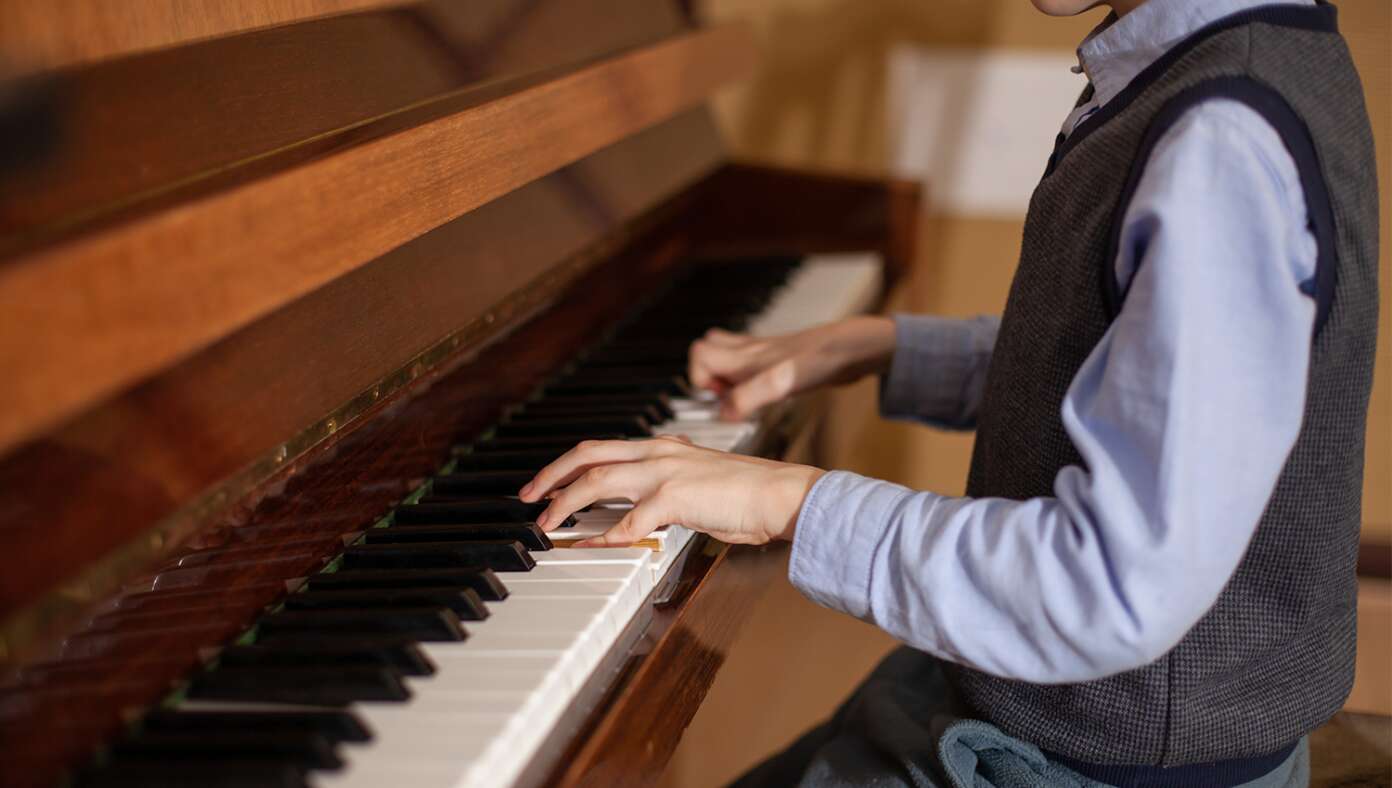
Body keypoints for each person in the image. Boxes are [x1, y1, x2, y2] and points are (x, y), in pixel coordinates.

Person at [519, 0, 1379, 784]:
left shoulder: (1221, 142)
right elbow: (1135, 371)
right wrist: (881, 347)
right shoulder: (1233, 61)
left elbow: (1112, 588)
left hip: (1091, 758)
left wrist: (786, 500)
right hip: (1039, 704)